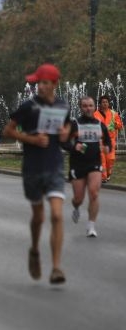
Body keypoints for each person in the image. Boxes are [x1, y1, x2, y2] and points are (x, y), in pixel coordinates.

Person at [3, 64, 71, 285]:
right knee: (39, 217)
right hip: (32, 167)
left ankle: (56, 267)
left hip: (54, 166)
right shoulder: (28, 107)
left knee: (58, 215)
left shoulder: (62, 105)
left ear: (54, 84)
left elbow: (67, 128)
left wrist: (65, 134)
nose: (40, 86)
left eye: (44, 82)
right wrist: (32, 139)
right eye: (38, 82)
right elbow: (8, 130)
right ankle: (34, 250)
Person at [67, 97, 111, 238]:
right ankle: (76, 207)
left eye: (90, 106)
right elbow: (64, 142)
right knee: (78, 198)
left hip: (94, 163)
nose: (88, 108)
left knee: (94, 193)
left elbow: (108, 144)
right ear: (81, 107)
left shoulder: (100, 124)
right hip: (77, 164)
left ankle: (91, 226)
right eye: (85, 106)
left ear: (94, 107)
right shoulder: (75, 124)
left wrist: (106, 148)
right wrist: (75, 146)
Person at [94, 95, 123, 183]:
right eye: (103, 102)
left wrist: (115, 124)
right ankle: (104, 177)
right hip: (100, 140)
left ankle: (108, 173)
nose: (105, 104)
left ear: (108, 103)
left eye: (106, 102)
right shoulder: (95, 114)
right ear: (100, 103)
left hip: (111, 140)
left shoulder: (114, 114)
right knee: (102, 159)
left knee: (110, 159)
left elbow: (120, 125)